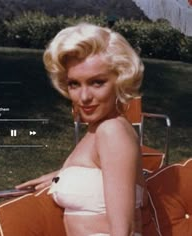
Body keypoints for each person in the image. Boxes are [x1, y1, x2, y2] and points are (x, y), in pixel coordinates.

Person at [16, 23, 146, 236]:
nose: (84, 97)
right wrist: (63, 177)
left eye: (97, 82)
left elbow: (125, 230)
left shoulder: (112, 131)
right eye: (74, 84)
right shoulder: (101, 129)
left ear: (120, 81)